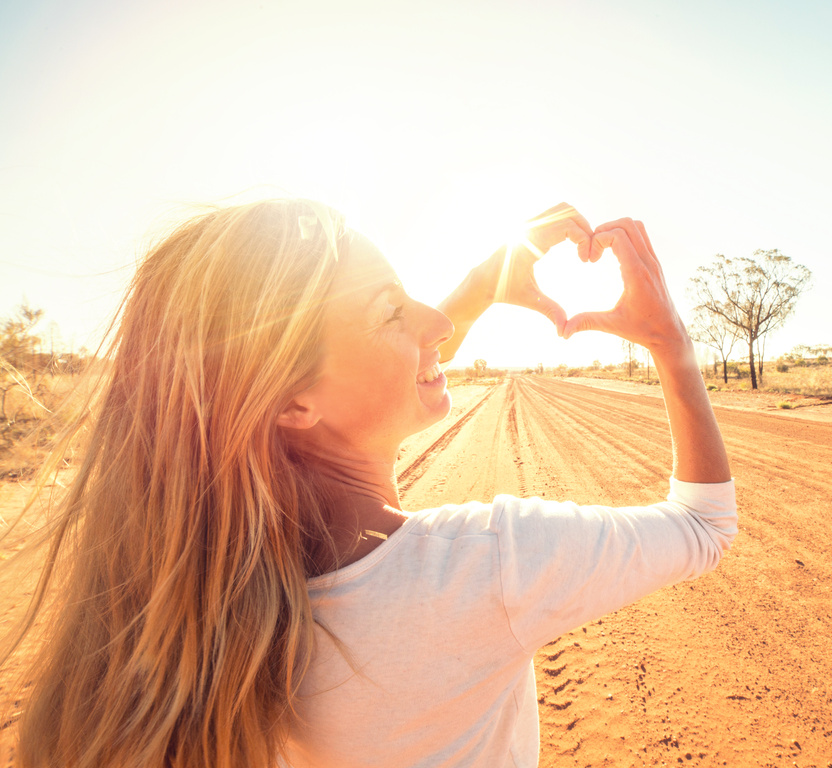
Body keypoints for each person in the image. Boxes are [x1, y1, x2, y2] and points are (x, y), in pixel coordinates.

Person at [0, 199, 735, 768]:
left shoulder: (217, 602)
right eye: (391, 310)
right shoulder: (491, 565)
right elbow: (705, 525)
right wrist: (670, 340)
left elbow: (359, 373)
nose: (436, 322)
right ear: (293, 403)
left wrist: (479, 288)